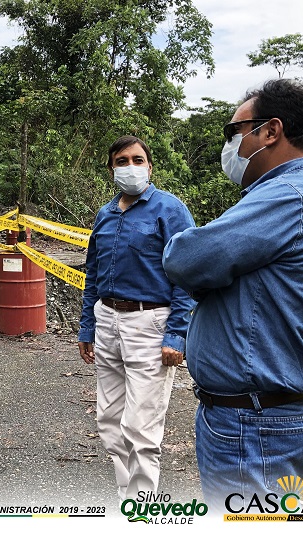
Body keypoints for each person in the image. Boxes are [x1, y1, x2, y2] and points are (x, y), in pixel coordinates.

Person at [162, 79, 303, 507]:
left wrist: (202, 266)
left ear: (270, 131)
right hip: (258, 418)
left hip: (254, 425)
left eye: (235, 132)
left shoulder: (289, 197)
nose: (231, 144)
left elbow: (185, 258)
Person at [78, 136, 196, 500]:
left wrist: (177, 335)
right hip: (107, 318)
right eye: (122, 160)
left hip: (150, 323)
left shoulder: (169, 210)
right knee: (109, 419)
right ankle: (124, 494)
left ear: (150, 165)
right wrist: (88, 325)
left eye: (137, 159)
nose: (131, 166)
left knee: (141, 424)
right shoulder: (106, 213)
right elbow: (93, 273)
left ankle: (142, 506)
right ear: (111, 168)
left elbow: (187, 274)